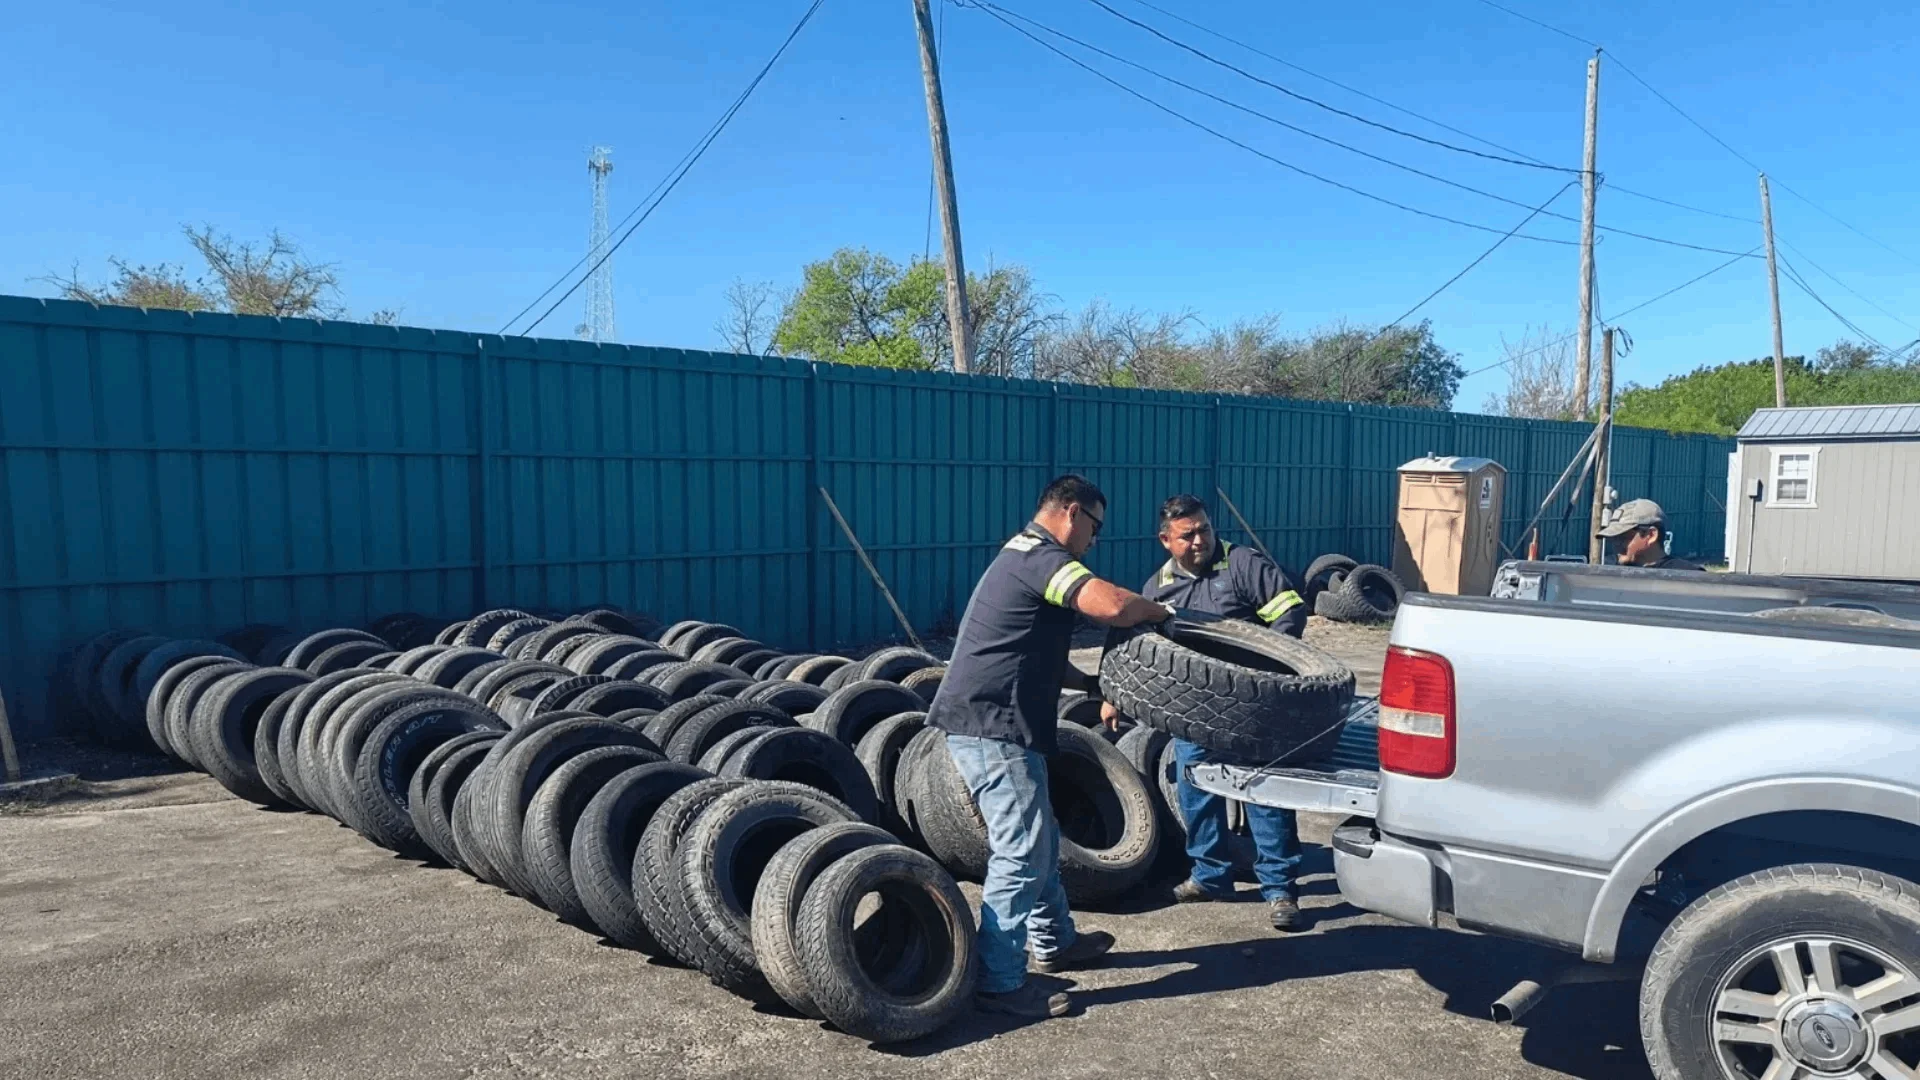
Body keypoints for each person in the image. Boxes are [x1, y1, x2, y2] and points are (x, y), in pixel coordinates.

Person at [928, 474, 1177, 1021]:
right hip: (993, 724)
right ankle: (998, 979)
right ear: (1070, 513)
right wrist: (1161, 613)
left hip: (1002, 721)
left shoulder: (1024, 559)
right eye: (1095, 527)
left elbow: (1034, 652)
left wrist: (1093, 686)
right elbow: (1109, 605)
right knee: (1020, 850)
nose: (1094, 540)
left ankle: (1055, 941)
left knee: (1038, 839)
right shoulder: (1042, 557)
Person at [1106, 494, 1311, 932]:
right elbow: (1136, 644)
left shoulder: (1242, 564)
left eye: (1204, 529)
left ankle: (1279, 888)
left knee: (1262, 791)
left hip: (1253, 706)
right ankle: (1210, 876)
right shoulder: (1156, 587)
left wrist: (1267, 667)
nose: (1199, 540)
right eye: (1187, 535)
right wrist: (1113, 694)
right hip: (1194, 710)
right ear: (1166, 540)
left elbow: (1289, 612)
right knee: (1195, 785)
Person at [1597, 499, 1704, 570]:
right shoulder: (1605, 569)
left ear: (1651, 535)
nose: (1616, 545)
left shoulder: (1688, 576)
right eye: (1614, 539)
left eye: (1623, 538)